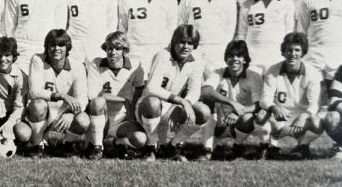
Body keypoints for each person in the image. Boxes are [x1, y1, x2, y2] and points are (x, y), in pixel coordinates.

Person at [136, 24, 212, 161]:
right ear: (174, 42)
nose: (185, 47)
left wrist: (185, 104)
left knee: (203, 111)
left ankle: (172, 146)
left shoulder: (197, 61)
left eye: (190, 43)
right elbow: (151, 88)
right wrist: (181, 101)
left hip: (172, 108)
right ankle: (150, 148)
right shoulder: (163, 55)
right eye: (182, 42)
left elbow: (194, 90)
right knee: (152, 102)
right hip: (149, 107)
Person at [17, 29, 90, 157]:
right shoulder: (37, 60)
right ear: (47, 47)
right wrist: (61, 95)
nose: (56, 48)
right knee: (23, 130)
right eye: (52, 45)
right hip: (41, 114)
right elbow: (34, 92)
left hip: (64, 115)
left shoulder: (77, 66)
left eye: (61, 45)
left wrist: (72, 114)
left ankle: (66, 144)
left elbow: (82, 99)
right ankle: (37, 144)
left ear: (67, 47)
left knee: (83, 119)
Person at [199, 40, 269, 160]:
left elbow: (258, 104)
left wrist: (239, 111)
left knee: (248, 118)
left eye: (239, 56)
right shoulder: (218, 73)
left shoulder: (254, 76)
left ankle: (237, 147)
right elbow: (205, 91)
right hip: (220, 121)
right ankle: (208, 151)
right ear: (226, 59)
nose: (235, 59)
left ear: (245, 59)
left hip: (240, 122)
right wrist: (231, 103)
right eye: (231, 56)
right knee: (207, 108)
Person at [260, 32, 324, 159]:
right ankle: (270, 146)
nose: (292, 54)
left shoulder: (313, 73)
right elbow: (264, 98)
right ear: (283, 52)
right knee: (262, 115)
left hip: (301, 116)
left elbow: (314, 104)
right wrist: (274, 108)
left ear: (303, 52)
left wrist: (304, 116)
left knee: (318, 122)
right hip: (280, 114)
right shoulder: (273, 70)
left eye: (297, 50)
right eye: (289, 50)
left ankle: (303, 145)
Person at [84, 32, 146, 160]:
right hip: (101, 116)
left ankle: (119, 143)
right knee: (97, 102)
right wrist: (124, 100)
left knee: (140, 139)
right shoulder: (96, 63)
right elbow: (93, 95)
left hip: (122, 119)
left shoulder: (135, 67)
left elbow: (139, 90)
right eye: (109, 48)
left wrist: (132, 113)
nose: (112, 52)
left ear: (124, 50)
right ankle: (97, 147)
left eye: (117, 48)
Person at [236, 0, 295, 74]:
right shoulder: (248, 4)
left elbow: (289, 35)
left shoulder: (287, 3)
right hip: (253, 61)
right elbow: (241, 35)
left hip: (277, 59)